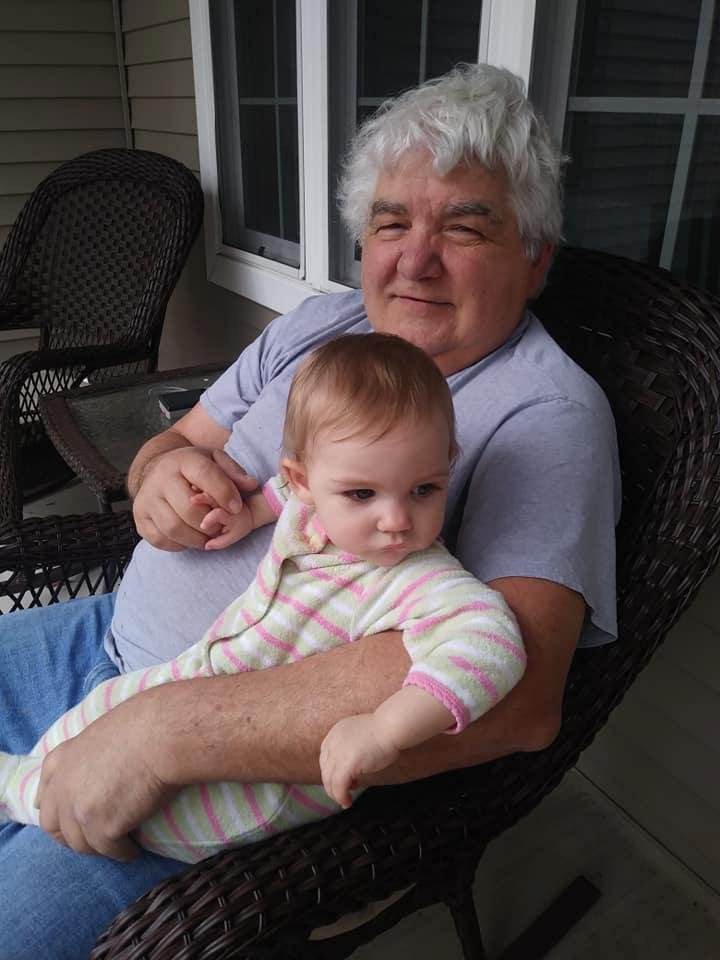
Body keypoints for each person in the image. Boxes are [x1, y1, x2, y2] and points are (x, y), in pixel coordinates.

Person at [0, 63, 620, 957]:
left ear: (535, 258)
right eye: (391, 223)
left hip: (201, 787)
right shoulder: (322, 326)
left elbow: (519, 699)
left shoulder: (545, 416)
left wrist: (162, 735)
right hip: (98, 639)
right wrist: (156, 483)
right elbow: (171, 445)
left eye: (463, 226)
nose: (414, 259)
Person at [0, 334, 525, 861]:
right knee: (98, 715)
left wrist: (387, 729)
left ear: (446, 468)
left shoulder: (418, 579)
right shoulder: (310, 508)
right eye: (362, 493)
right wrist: (250, 514)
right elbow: (285, 491)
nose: (396, 520)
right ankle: (27, 780)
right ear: (306, 481)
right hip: (193, 674)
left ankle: (23, 795)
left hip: (240, 788)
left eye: (425, 489)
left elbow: (492, 643)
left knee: (82, 797)